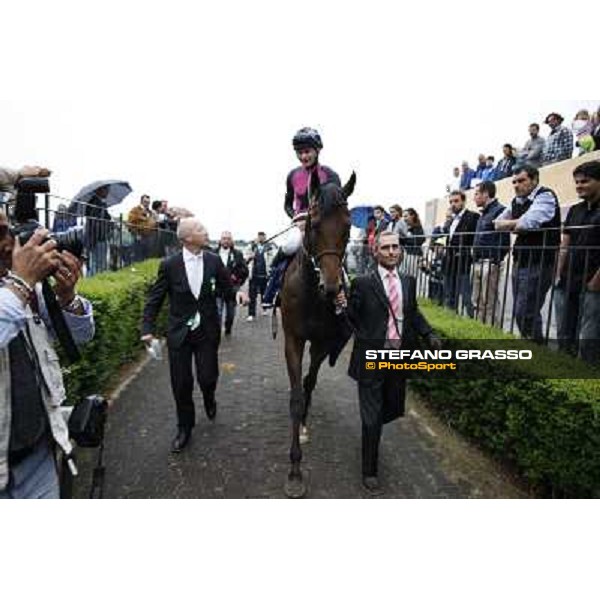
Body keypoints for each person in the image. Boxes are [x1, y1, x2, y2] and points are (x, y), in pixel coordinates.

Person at [0, 213, 95, 498]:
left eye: (9, 230)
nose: (10, 242)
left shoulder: (19, 287)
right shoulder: (18, 287)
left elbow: (80, 337)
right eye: (1, 233)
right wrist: (21, 281)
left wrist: (67, 297)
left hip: (38, 455)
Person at [345, 231, 440, 494]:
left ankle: (372, 436)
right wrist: (341, 305)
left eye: (395, 247)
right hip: (372, 358)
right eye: (385, 247)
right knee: (372, 417)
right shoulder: (363, 283)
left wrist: (429, 333)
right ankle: (370, 470)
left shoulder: (408, 282)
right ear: (375, 252)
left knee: (391, 408)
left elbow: (413, 312)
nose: (391, 252)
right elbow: (351, 318)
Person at [141, 218, 240, 453]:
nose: (204, 230)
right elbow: (155, 299)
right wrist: (146, 328)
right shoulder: (169, 265)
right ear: (186, 238)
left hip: (207, 331)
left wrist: (237, 296)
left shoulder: (214, 261)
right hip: (179, 333)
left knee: (207, 377)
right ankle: (184, 427)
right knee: (181, 384)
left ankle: (209, 397)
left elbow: (227, 289)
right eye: (198, 229)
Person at [262, 127, 340, 308]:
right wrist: (296, 219)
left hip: (322, 224)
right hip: (300, 223)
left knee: (334, 252)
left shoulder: (330, 175)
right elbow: (288, 204)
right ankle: (272, 287)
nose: (304, 156)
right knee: (291, 246)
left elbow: (335, 204)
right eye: (300, 153)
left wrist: (316, 220)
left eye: (307, 152)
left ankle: (342, 295)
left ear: (317, 150)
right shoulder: (292, 175)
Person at [494, 165, 561, 341]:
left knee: (526, 311)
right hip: (520, 260)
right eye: (514, 182)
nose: (516, 185)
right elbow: (497, 223)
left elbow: (527, 223)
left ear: (534, 180)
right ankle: (533, 345)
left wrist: (515, 225)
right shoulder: (516, 201)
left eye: (521, 180)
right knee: (522, 311)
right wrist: (516, 225)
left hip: (540, 261)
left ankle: (537, 346)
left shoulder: (545, 195)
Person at [554, 160, 600, 362]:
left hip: (593, 283)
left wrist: (596, 281)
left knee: (589, 338)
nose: (579, 186)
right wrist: (558, 274)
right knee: (564, 334)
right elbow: (565, 243)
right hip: (567, 280)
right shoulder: (575, 210)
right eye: (577, 182)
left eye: (585, 181)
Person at [471, 181, 510, 325]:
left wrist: (495, 260)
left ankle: (492, 335)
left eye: (476, 194)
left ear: (486, 193)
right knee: (477, 301)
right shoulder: (483, 214)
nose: (474, 197)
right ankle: (480, 332)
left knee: (489, 302)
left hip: (490, 262)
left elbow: (504, 240)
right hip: (478, 262)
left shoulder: (500, 210)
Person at [442, 190, 479, 317]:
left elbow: (473, 238)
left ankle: (472, 322)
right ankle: (450, 319)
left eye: (456, 201)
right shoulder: (451, 219)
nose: (453, 204)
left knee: (466, 297)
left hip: (463, 262)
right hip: (449, 261)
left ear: (463, 201)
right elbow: (446, 237)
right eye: (451, 201)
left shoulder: (473, 216)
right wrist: (448, 220)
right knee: (449, 295)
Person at [214, 231, 248, 335]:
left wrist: (237, 279)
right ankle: (217, 332)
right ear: (220, 240)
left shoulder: (237, 254)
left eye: (228, 239)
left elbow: (244, 270)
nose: (226, 241)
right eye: (224, 238)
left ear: (231, 240)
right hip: (217, 289)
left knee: (230, 314)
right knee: (217, 313)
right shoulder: (213, 253)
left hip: (232, 289)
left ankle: (228, 328)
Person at [84, 185, 113, 276]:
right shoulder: (95, 203)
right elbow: (96, 221)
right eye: (106, 189)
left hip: (97, 237)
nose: (108, 192)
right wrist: (108, 224)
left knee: (97, 263)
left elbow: (106, 218)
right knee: (98, 264)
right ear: (100, 190)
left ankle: (93, 281)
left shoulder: (99, 203)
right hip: (98, 237)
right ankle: (93, 282)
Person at [246, 232, 272, 321]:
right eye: (259, 236)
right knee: (252, 295)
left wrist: (270, 272)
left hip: (264, 275)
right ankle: (251, 314)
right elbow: (246, 258)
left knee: (264, 293)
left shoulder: (269, 247)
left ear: (265, 238)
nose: (261, 238)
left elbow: (271, 260)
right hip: (253, 275)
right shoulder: (252, 246)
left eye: (263, 237)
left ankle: (264, 309)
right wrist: (250, 256)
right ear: (257, 237)